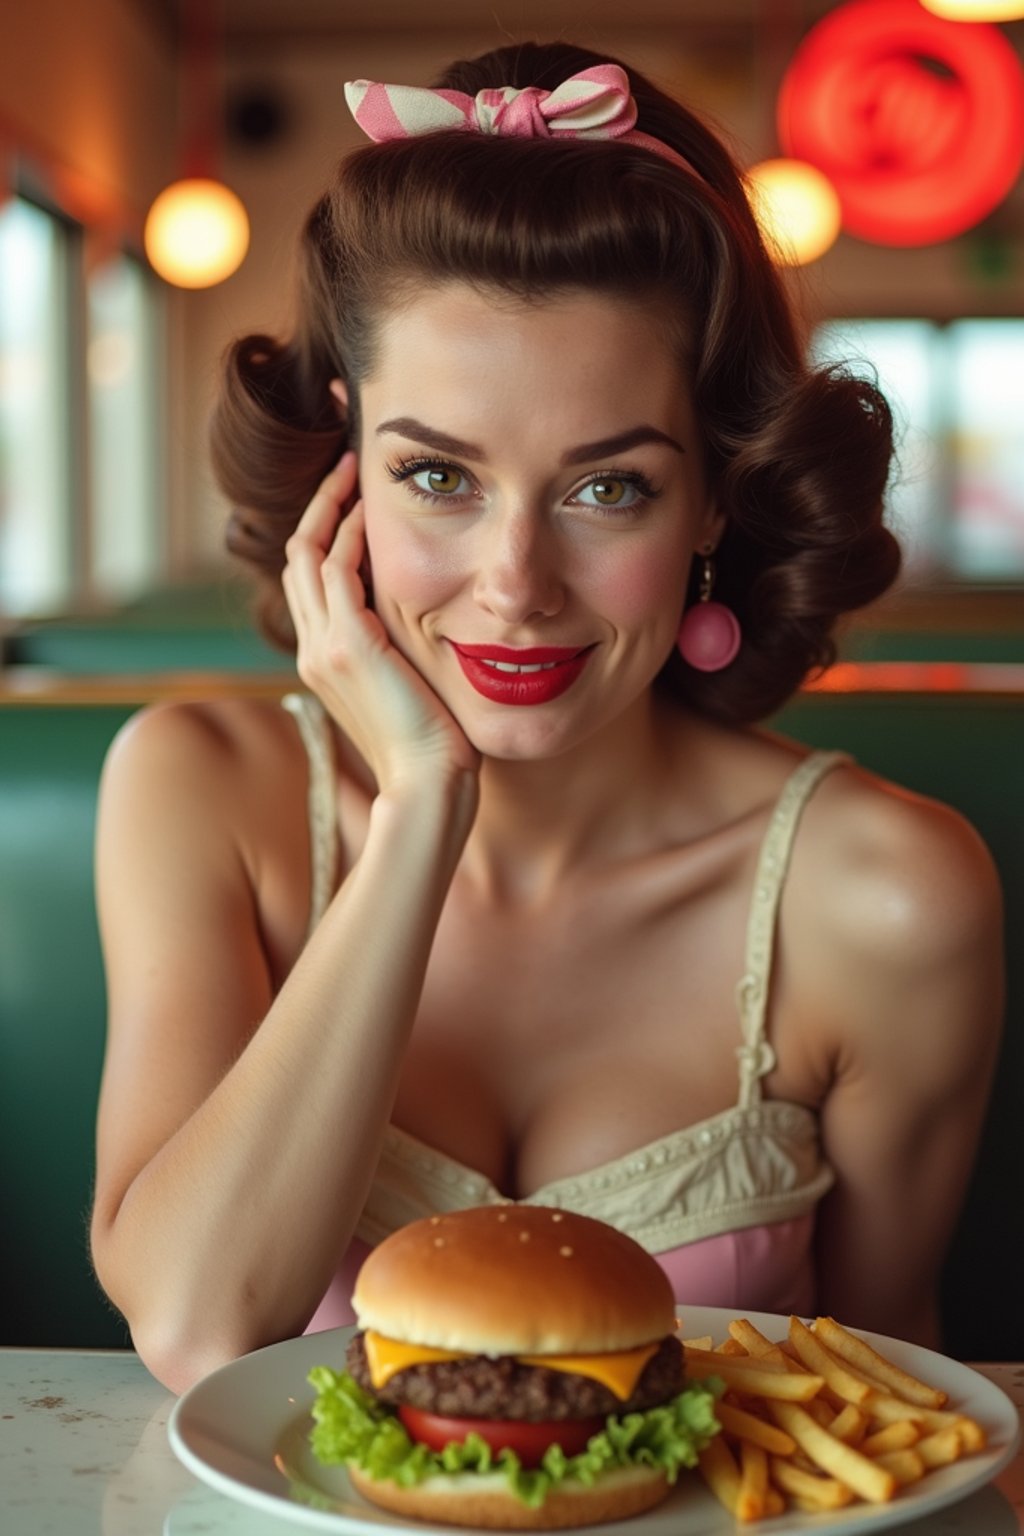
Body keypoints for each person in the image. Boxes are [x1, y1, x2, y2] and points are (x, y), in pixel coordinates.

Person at [90, 41, 1003, 1396]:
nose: (513, 586)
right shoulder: (194, 791)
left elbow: (889, 1414)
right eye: (437, 475)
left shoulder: (888, 897)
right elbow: (197, 1330)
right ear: (347, 465)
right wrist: (418, 810)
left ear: (714, 497)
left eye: (607, 489)